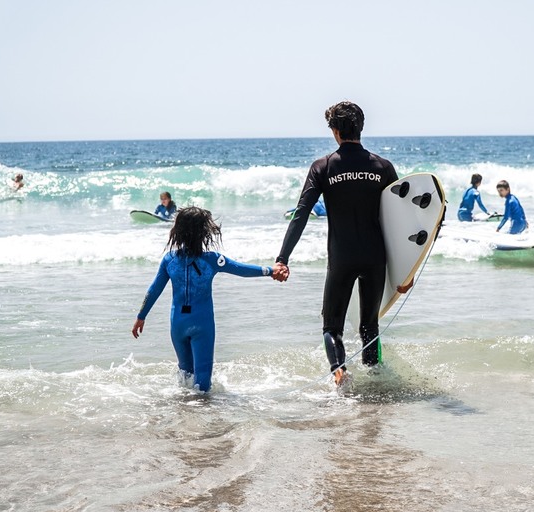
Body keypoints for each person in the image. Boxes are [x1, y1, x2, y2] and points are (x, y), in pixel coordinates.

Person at [272, 101, 398, 386]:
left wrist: (283, 258)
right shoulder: (383, 167)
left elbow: (301, 214)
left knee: (332, 328)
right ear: (361, 128)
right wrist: (407, 269)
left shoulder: (324, 167)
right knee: (370, 326)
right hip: (376, 256)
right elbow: (400, 218)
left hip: (341, 257)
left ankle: (340, 375)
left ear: (336, 131)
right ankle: (377, 382)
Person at [132, 206, 278, 393]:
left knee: (185, 375)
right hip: (202, 324)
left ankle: (184, 414)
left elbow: (153, 290)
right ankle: (203, 417)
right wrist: (270, 271)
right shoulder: (212, 260)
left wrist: (141, 316)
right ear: (204, 233)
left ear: (178, 232)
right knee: (202, 382)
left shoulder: (169, 260)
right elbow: (241, 269)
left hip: (178, 324)